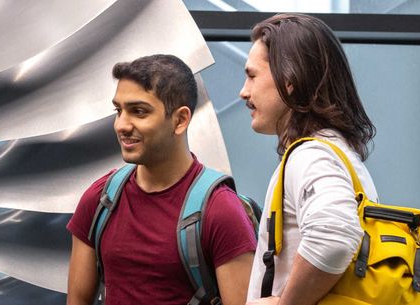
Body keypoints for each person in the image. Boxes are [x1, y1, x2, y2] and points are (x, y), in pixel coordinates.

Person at [67, 54, 257, 305]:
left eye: (139, 112)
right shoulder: (100, 199)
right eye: (119, 110)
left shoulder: (221, 211)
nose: (121, 125)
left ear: (180, 120)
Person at [239, 13, 378, 305]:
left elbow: (334, 236)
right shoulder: (337, 152)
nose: (244, 92)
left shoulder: (310, 155)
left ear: (289, 80)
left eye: (252, 75)